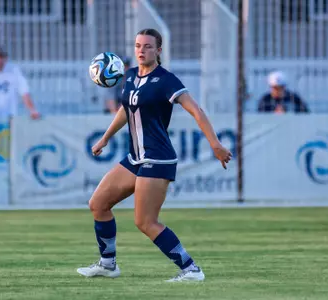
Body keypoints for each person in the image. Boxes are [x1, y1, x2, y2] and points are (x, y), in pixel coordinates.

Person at [76, 28, 232, 282]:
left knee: (145, 222)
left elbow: (197, 111)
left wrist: (215, 144)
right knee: (98, 204)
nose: (141, 50)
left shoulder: (166, 80)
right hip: (135, 158)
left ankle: (192, 270)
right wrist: (105, 137)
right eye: (138, 45)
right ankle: (108, 265)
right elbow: (126, 111)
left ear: (159, 51)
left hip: (157, 157)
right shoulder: (129, 76)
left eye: (148, 46)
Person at [0, 45, 40, 122]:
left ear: (5, 58)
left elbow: (25, 94)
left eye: (1, 57)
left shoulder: (15, 72)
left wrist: (33, 110)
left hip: (9, 120)